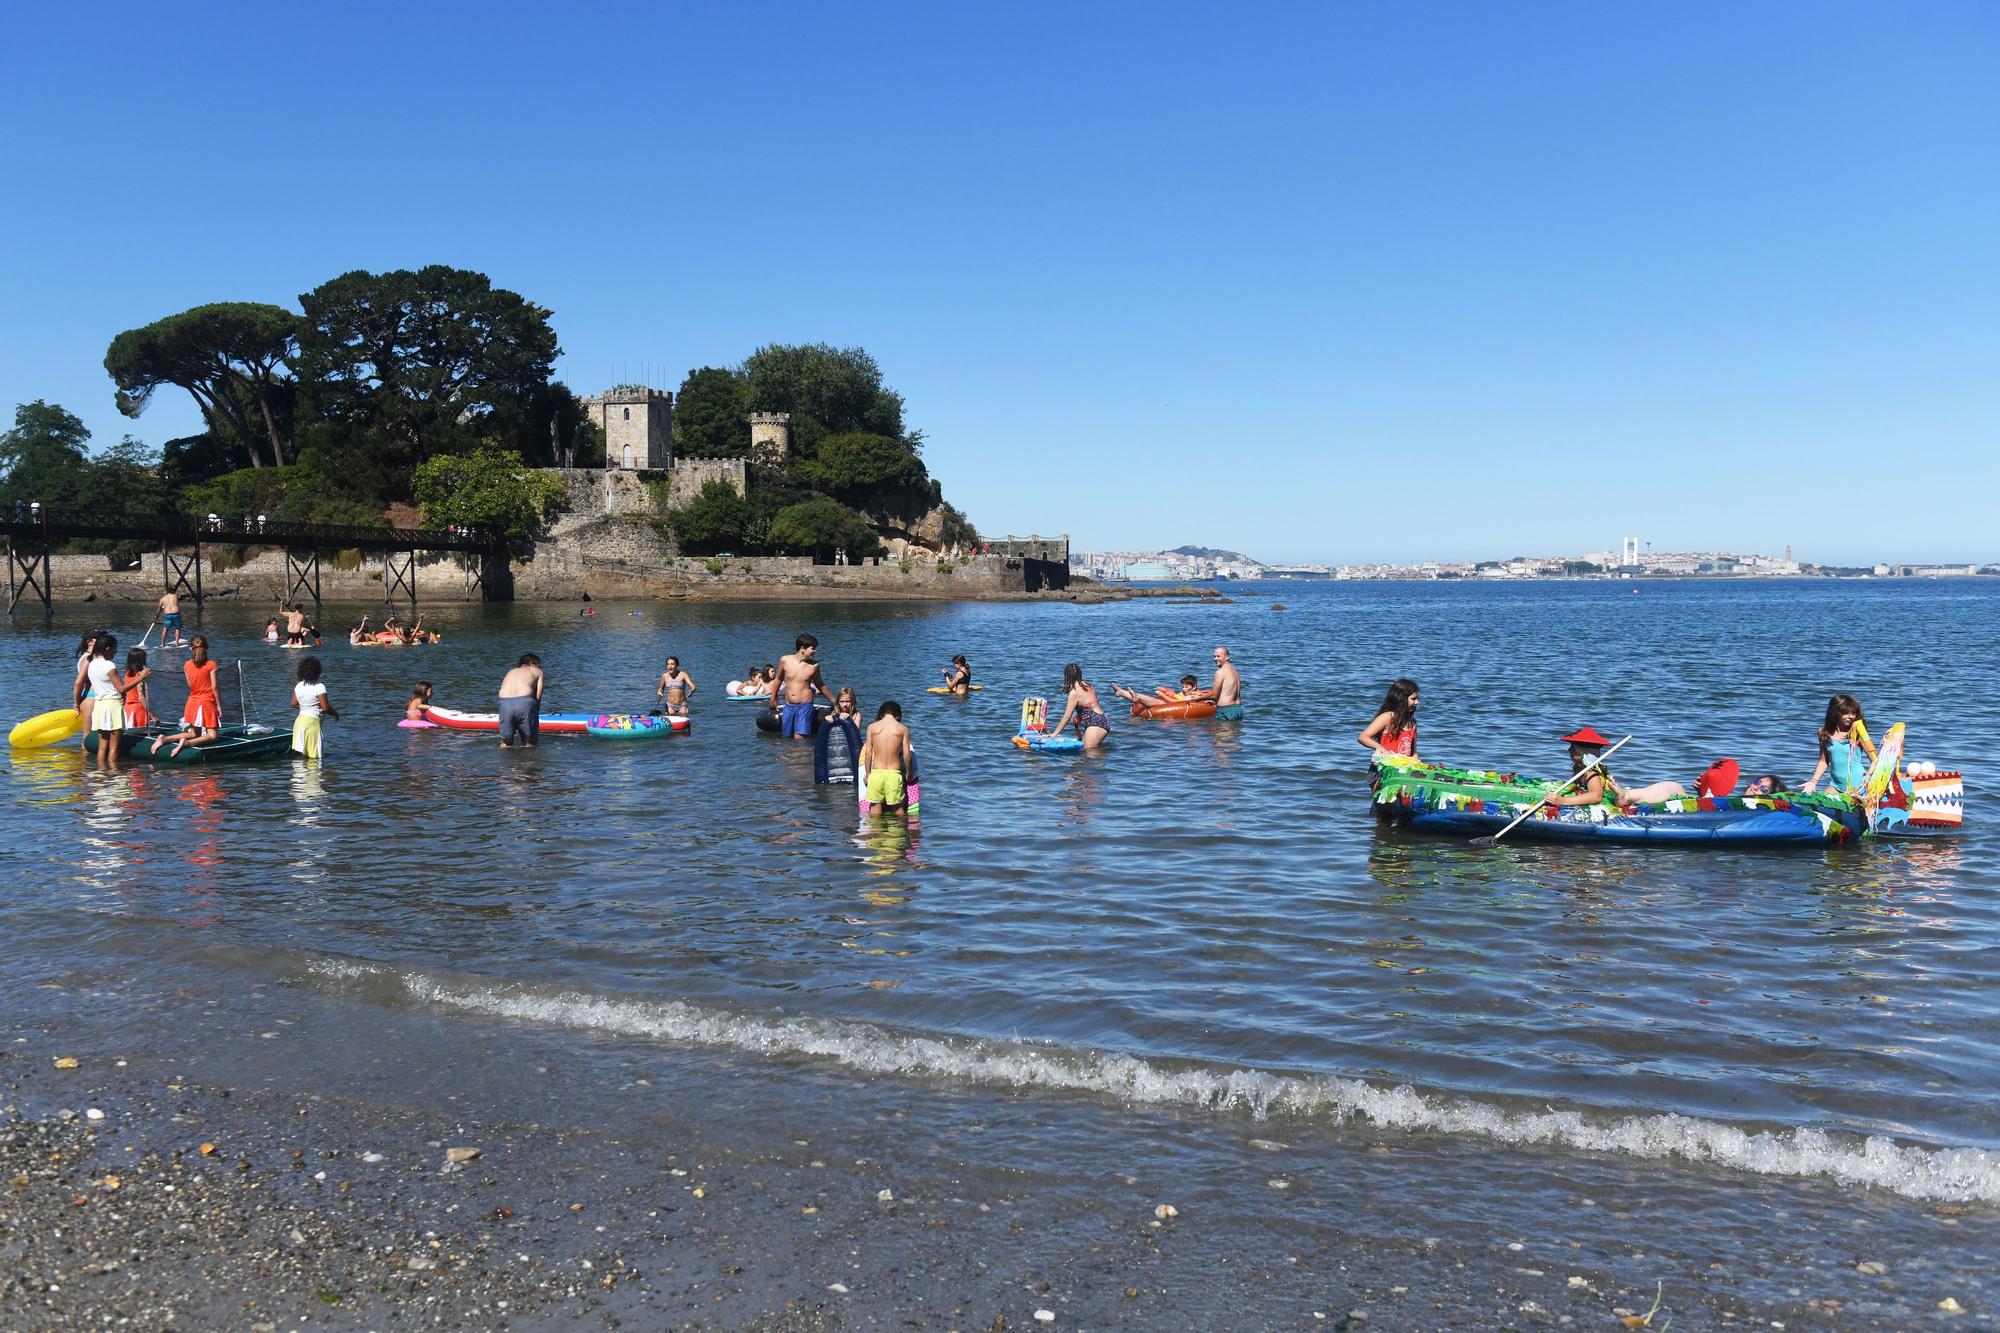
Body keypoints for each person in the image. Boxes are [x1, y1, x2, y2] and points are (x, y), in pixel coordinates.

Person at [1547, 727, 1685, 806]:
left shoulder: (1590, 773)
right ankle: (1622, 795)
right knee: (1631, 795)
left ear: (1584, 752)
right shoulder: (1585, 771)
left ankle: (1622, 796)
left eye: (1573, 748)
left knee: (1633, 796)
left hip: (1662, 791)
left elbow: (1596, 796)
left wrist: (1564, 800)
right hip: (1648, 791)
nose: (1569, 751)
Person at [154, 635, 222, 756]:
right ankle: (186, 744)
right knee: (213, 736)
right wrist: (219, 706)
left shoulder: (187, 665)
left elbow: (190, 684)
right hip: (206, 702)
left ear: (191, 648)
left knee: (194, 733)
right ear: (206, 648)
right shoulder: (211, 664)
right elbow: (214, 687)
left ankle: (164, 739)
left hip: (192, 702)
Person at [1803, 693, 1877, 795]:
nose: (1851, 716)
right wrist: (1813, 781)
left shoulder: (1858, 732)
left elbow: (1875, 761)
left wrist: (1866, 779)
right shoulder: (1824, 733)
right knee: (1817, 803)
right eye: (1846, 713)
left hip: (1859, 786)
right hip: (1836, 786)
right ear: (1835, 712)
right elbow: (1824, 761)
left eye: (1853, 713)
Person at [772, 634, 833, 739]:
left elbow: (820, 684)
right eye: (812, 648)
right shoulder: (785, 660)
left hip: (805, 706)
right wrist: (773, 698)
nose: (815, 651)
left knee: (800, 739)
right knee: (786, 738)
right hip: (789, 706)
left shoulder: (814, 665)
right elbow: (778, 679)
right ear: (802, 648)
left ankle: (803, 755)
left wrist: (833, 700)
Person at [82, 634, 130, 765]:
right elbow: (121, 688)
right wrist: (141, 678)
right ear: (108, 649)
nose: (116, 652)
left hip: (99, 706)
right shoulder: (109, 665)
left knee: (103, 746)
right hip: (112, 706)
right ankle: (113, 774)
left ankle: (101, 773)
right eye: (115, 649)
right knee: (114, 746)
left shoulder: (92, 664)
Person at [863, 701, 913, 812]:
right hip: (893, 774)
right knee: (898, 809)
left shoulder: (872, 727)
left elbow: (868, 753)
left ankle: (876, 829)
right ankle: (899, 829)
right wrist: (909, 774)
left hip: (876, 774)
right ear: (898, 715)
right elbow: (907, 755)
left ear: (880, 714)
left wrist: (867, 774)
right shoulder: (903, 729)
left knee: (875, 811)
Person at [1047, 663, 1111, 748]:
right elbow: (1091, 705)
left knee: (1089, 755)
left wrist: (1054, 734)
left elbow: (1067, 716)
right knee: (1091, 756)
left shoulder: (1074, 692)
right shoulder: (1088, 685)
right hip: (1103, 720)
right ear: (1080, 674)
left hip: (1095, 725)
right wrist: (1080, 716)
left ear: (1067, 677)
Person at [290, 656, 338, 759]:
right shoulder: (319, 687)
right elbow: (325, 708)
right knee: (314, 758)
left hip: (299, 723)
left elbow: (293, 704)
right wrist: (335, 713)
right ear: (317, 671)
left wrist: (306, 706)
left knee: (302, 756)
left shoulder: (299, 685)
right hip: (312, 724)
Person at [1358, 678, 1419, 757]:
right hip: (1383, 767)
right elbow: (1363, 737)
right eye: (1413, 699)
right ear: (1401, 698)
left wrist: (1417, 765)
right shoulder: (1387, 717)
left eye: (1417, 699)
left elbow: (1413, 751)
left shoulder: (1412, 722)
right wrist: (1380, 748)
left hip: (1403, 768)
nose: (1417, 702)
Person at [815, 688, 864, 785]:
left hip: (851, 752)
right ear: (838, 702)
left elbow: (856, 730)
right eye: (842, 702)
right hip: (837, 751)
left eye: (848, 701)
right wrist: (827, 719)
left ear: (853, 702)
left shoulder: (856, 715)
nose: (845, 704)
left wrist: (848, 719)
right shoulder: (834, 714)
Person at [497, 652, 544, 749]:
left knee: (505, 742)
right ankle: (528, 761)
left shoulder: (510, 671)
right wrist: (536, 709)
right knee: (530, 741)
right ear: (533, 664)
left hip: (504, 703)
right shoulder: (537, 671)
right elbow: (539, 694)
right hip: (525, 702)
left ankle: (503, 762)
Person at [1113, 674, 1204, 714]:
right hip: (1163, 703)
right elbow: (1175, 696)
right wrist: (1166, 692)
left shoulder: (1193, 696)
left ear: (1194, 686)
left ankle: (1133, 696)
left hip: (1166, 705)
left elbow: (1176, 703)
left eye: (1186, 687)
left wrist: (1163, 696)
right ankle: (1122, 692)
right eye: (1182, 686)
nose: (1184, 689)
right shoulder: (1182, 693)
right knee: (1149, 699)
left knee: (1153, 701)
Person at [124, 648, 154, 727]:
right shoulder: (140, 675)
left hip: (128, 708)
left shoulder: (127, 674)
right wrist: (152, 715)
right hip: (138, 710)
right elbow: (141, 697)